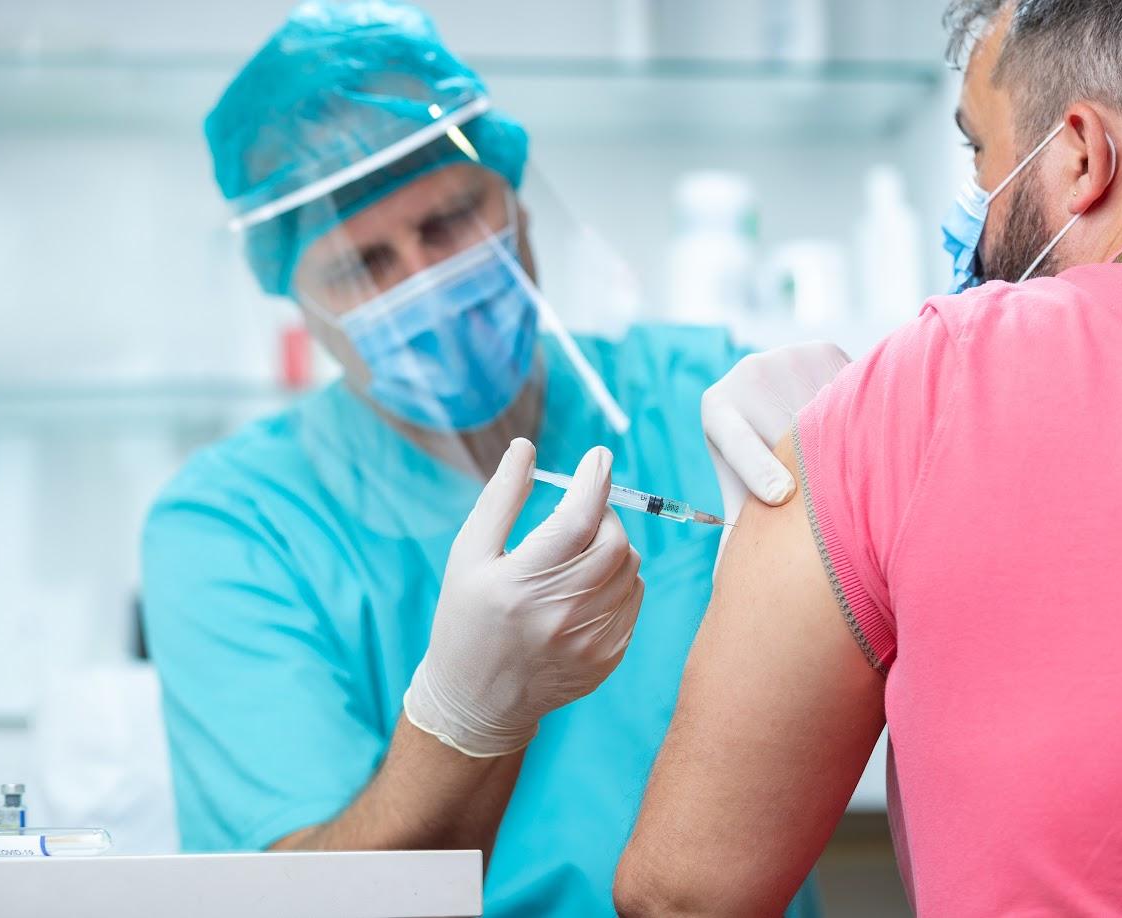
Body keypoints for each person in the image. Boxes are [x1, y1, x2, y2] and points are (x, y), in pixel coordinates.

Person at [617, 0, 1122, 914]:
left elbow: (684, 894)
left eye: (978, 151)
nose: (976, 196)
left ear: (1081, 155)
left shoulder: (929, 381)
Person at [140, 2, 822, 915]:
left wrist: (876, 418)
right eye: (362, 263)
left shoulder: (697, 392)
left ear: (515, 201)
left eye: (451, 221)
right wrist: (463, 717)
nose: (421, 280)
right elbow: (298, 897)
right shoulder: (235, 525)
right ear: (294, 293)